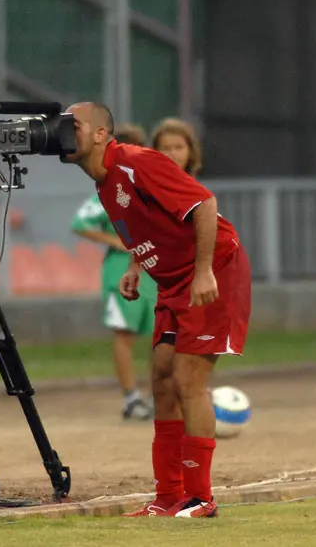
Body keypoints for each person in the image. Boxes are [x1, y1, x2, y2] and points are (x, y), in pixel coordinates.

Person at [63, 102, 251, 518]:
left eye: (71, 125)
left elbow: (203, 204)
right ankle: (168, 497)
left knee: (188, 378)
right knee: (162, 380)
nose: (62, 132)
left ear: (99, 134)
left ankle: (201, 498)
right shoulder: (104, 181)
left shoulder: (135, 162)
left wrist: (203, 272)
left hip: (213, 268)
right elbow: (145, 227)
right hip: (170, 280)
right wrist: (136, 264)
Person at [70, 124, 156, 421]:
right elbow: (81, 223)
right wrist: (118, 242)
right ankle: (132, 397)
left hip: (153, 270)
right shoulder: (111, 189)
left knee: (163, 335)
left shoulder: (146, 186)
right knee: (124, 334)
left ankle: (160, 394)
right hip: (121, 270)